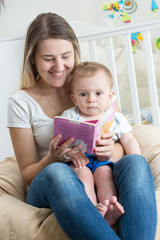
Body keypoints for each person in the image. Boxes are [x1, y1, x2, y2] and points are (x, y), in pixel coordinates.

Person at [7, 12, 157, 240]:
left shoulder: (93, 85)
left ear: (75, 52)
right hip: (52, 183)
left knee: (136, 162)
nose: (59, 66)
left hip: (99, 172)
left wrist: (109, 150)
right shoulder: (20, 102)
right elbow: (27, 174)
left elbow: (120, 139)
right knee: (58, 172)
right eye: (48, 58)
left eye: (66, 56)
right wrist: (52, 158)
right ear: (33, 60)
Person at [60, 61, 141, 226]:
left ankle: (109, 206)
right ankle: (92, 210)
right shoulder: (70, 115)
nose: (91, 100)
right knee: (83, 176)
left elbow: (128, 139)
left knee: (105, 174)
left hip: (102, 160)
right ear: (74, 99)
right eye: (83, 95)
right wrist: (70, 153)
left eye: (98, 93)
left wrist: (138, 159)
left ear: (110, 97)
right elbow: (61, 143)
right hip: (79, 161)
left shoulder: (115, 118)